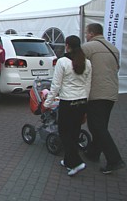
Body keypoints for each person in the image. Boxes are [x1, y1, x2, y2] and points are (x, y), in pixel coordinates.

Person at [44, 35, 91, 176]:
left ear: (67, 45)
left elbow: (56, 85)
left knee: (64, 133)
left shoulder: (62, 62)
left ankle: (76, 162)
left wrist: (47, 103)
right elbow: (88, 85)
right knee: (75, 131)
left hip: (68, 102)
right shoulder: (87, 62)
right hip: (82, 101)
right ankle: (68, 160)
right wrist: (86, 104)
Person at [82, 23, 125, 174]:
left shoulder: (88, 47)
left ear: (92, 33)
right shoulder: (114, 49)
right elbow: (116, 68)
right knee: (101, 125)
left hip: (97, 93)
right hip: (111, 93)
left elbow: (76, 66)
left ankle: (114, 160)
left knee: (96, 126)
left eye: (87, 33)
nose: (86, 35)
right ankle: (93, 153)